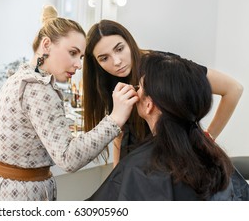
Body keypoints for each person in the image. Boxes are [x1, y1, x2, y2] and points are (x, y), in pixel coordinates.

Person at [0, 6, 135, 201]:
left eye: (81, 57)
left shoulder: (21, 76)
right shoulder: (38, 88)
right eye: (73, 53)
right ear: (47, 44)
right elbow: (68, 158)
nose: (78, 64)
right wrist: (115, 119)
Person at [87, 52, 248, 200]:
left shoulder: (138, 169)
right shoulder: (215, 158)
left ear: (149, 104)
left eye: (140, 86)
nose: (136, 89)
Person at [83, 20, 244, 167]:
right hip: (133, 161)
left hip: (168, 162)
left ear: (129, 42)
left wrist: (209, 137)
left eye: (119, 49)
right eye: (104, 58)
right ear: (96, 62)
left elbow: (233, 89)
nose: (116, 61)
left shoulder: (162, 66)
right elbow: (120, 130)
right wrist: (117, 175)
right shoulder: (107, 79)